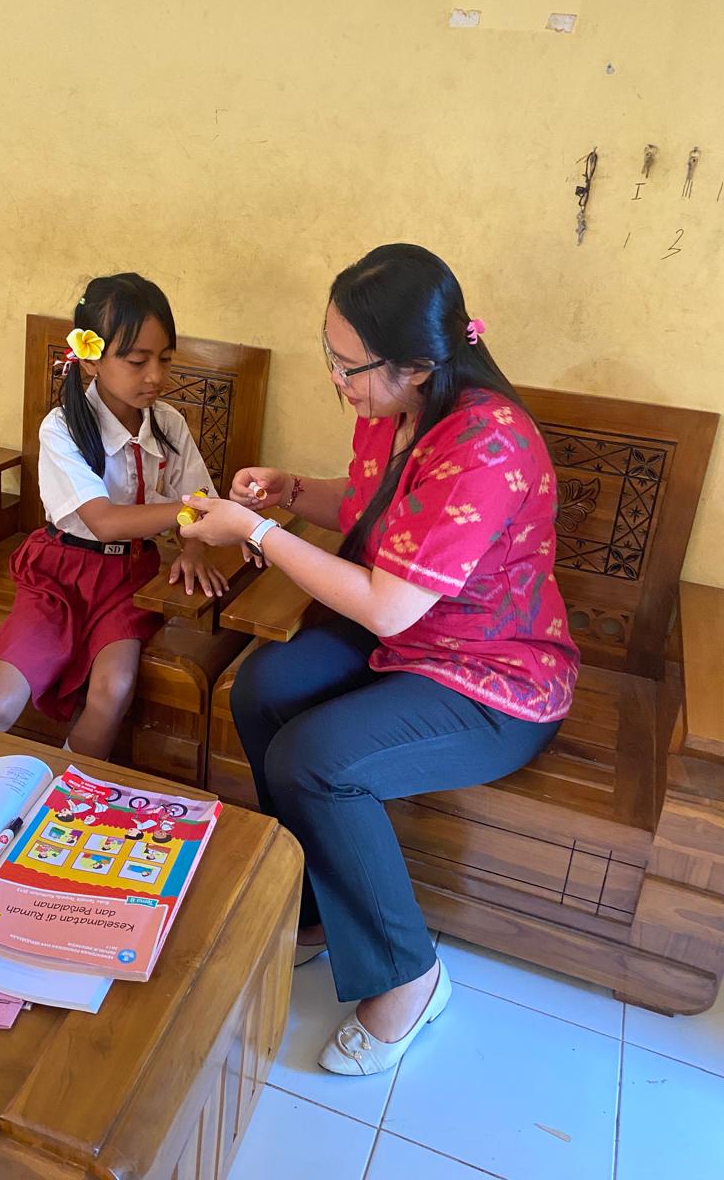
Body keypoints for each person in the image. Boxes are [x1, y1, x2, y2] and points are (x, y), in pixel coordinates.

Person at [179, 243, 579, 1077]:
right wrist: (291, 491)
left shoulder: (487, 444)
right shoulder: (393, 410)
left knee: (315, 760)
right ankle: (319, 906)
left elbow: (387, 602)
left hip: (493, 676)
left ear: (419, 364)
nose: (337, 380)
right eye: (330, 355)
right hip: (410, 640)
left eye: (350, 366)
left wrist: (257, 531)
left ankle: (409, 975)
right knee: (261, 688)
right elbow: (369, 508)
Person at [0, 273, 227, 756]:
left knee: (114, 689)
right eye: (137, 361)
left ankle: (70, 793)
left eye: (166, 359)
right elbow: (105, 521)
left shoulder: (168, 424)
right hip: (57, 575)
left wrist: (193, 550)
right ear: (90, 359)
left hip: (129, 578)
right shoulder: (62, 427)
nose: (155, 376)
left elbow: (197, 498)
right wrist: (192, 513)